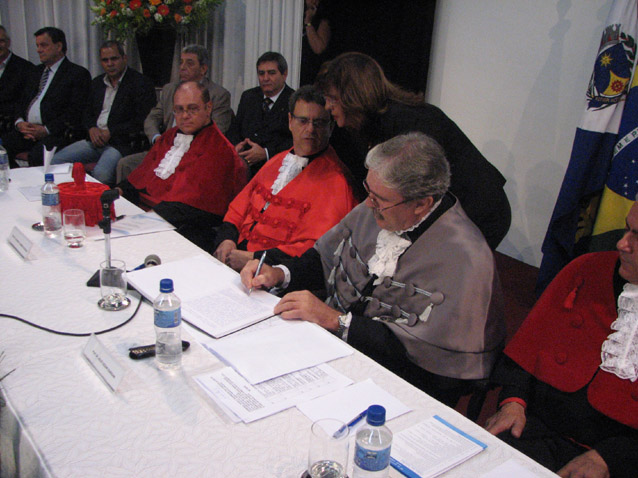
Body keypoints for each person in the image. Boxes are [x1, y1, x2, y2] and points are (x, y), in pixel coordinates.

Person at [241, 132, 505, 407]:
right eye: (368, 191)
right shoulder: (379, 209)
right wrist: (280, 274)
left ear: (421, 204)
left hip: (399, 390)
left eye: (378, 199)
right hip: (333, 352)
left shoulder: (466, 258)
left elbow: (433, 370)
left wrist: (337, 321)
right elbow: (326, 259)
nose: (368, 204)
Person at [485, 202, 638, 478]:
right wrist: (513, 402)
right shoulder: (587, 269)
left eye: (637, 237)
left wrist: (611, 458)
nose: (622, 244)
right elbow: (527, 350)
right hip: (534, 426)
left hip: (617, 458)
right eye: (627, 229)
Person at [316, 52, 511, 249]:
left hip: (479, 212)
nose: (327, 106)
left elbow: (426, 196)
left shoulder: (409, 123)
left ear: (353, 95)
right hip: (451, 211)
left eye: (332, 98)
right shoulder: (369, 126)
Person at [213, 85, 357, 271]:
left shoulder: (336, 181)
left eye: (319, 123)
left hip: (275, 273)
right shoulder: (276, 161)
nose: (310, 129)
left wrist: (256, 259)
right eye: (303, 121)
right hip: (234, 258)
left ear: (330, 127)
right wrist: (227, 239)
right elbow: (238, 209)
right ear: (290, 121)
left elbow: (315, 249)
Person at [117, 81, 247, 250]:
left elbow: (196, 206)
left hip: (185, 227)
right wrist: (119, 191)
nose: (185, 115)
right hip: (147, 216)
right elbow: (143, 175)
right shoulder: (169, 136)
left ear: (208, 108)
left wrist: (143, 221)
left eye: (192, 109)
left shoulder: (220, 150)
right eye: (179, 109)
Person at [115, 44, 233, 183]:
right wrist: (156, 137)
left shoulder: (218, 95)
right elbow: (152, 118)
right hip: (164, 149)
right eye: (181, 62)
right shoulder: (169, 89)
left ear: (203, 69)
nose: (182, 67)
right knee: (125, 164)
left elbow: (218, 131)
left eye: (189, 63)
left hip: (195, 154)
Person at [49, 41, 155, 185]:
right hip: (94, 141)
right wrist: (91, 128)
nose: (110, 64)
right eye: (105, 60)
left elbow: (142, 120)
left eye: (114, 59)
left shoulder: (140, 83)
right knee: (56, 161)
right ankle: (70, 194)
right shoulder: (97, 83)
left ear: (124, 58)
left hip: (121, 143)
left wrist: (111, 132)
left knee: (101, 174)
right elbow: (86, 112)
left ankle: (99, 199)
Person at [1, 27, 91, 168]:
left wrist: (45, 130)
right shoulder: (35, 72)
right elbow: (21, 102)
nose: (39, 50)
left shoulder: (77, 74)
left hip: (56, 133)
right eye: (37, 46)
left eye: (43, 45)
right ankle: (14, 179)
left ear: (59, 46)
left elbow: (75, 112)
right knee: (2, 146)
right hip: (27, 130)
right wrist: (20, 123)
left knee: (37, 156)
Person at [226, 51, 294, 176]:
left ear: (284, 74)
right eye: (261, 73)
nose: (265, 78)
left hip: (276, 170)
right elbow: (234, 129)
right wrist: (236, 146)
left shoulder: (294, 101)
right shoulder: (248, 96)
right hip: (244, 167)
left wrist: (266, 153)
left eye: (271, 73)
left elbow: (294, 141)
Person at [0, 25, 37, 125]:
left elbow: (25, 104)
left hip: (11, 125)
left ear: (8, 42)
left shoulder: (26, 69)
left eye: (1, 41)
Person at [300, 0, 333, 86]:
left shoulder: (322, 21)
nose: (314, 1)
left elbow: (318, 48)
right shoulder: (294, 16)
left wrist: (308, 22)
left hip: (311, 70)